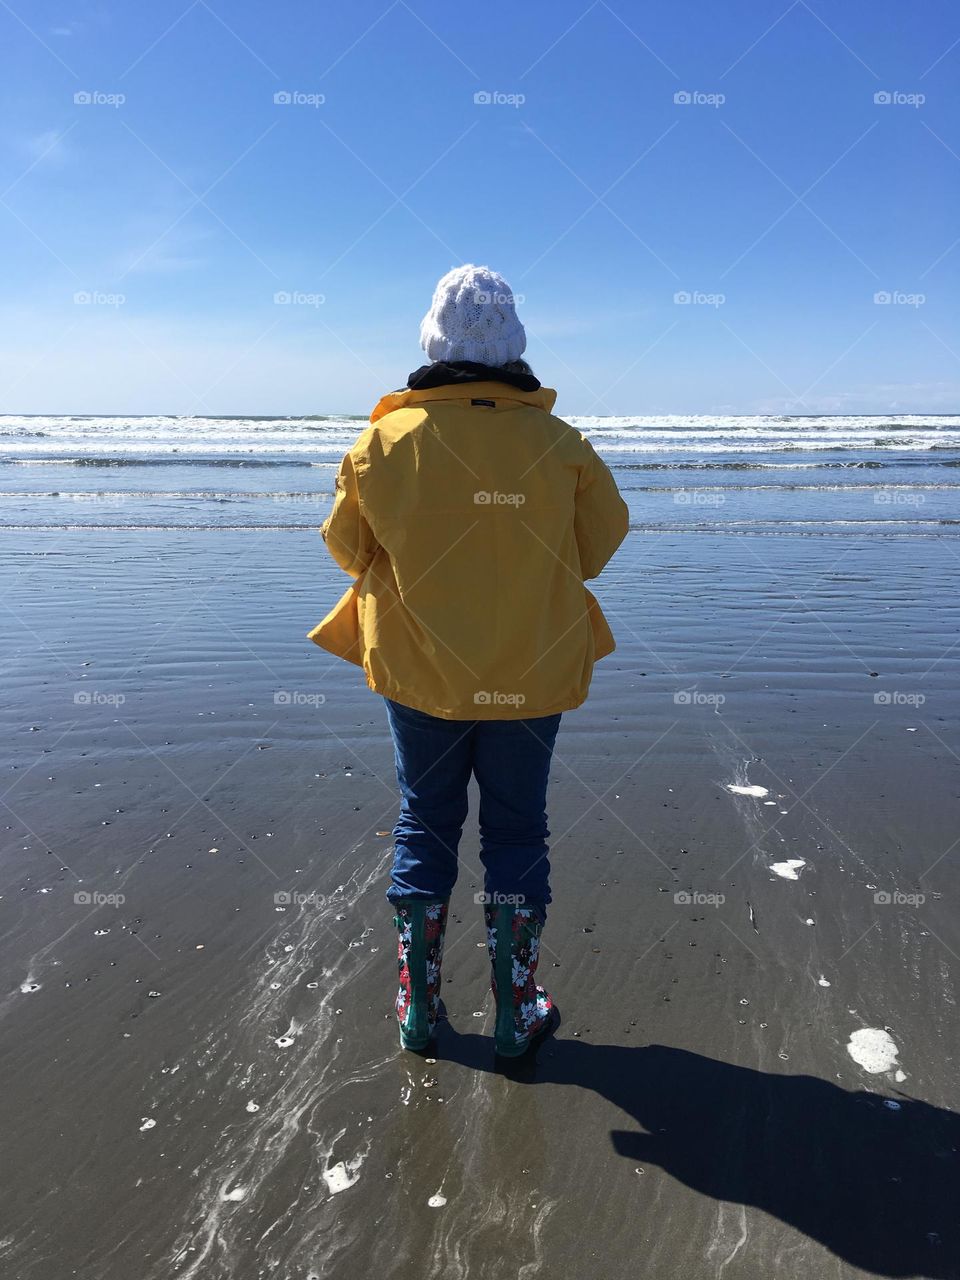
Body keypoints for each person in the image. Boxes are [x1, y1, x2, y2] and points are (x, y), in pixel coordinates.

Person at [309, 265, 628, 1057]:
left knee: (427, 820)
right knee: (518, 830)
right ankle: (517, 1007)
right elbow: (597, 547)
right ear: (513, 348)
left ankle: (420, 1007)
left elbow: (347, 549)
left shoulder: (385, 440)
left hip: (423, 670)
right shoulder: (561, 445)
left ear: (433, 343)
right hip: (532, 669)